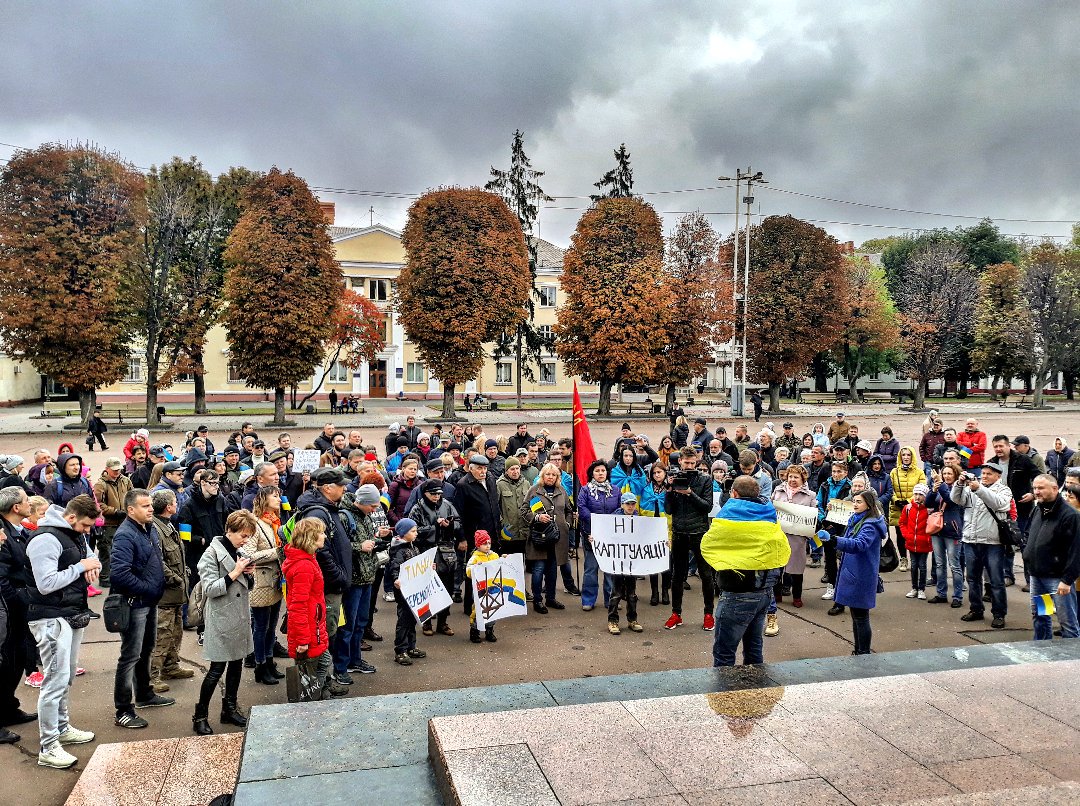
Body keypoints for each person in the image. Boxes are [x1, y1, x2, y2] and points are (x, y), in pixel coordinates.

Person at [24, 495, 101, 768]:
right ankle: (48, 745)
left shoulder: (73, 534)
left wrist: (92, 566)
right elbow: (45, 583)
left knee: (65, 677)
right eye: (85, 525)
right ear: (70, 518)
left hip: (69, 613)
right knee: (54, 681)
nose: (88, 531)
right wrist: (81, 567)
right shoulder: (45, 539)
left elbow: (92, 557)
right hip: (49, 616)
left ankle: (62, 729)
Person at [700, 476, 790, 666]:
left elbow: (708, 544)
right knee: (754, 647)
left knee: (724, 653)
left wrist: (728, 561)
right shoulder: (769, 513)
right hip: (765, 590)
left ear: (734, 493)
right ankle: (756, 690)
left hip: (737, 591)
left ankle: (725, 695)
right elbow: (779, 547)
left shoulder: (728, 513)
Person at [191, 510, 258, 735]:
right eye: (243, 535)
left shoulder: (236, 550)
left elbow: (246, 586)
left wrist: (248, 574)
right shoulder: (210, 554)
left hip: (238, 616)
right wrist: (235, 572)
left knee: (237, 664)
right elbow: (209, 589)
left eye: (249, 536)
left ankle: (229, 708)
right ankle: (200, 714)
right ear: (229, 531)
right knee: (216, 668)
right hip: (221, 617)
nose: (246, 540)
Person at [110, 489, 172, 729]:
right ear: (131, 510)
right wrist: (147, 588)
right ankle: (123, 710)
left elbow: (156, 560)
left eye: (150, 505)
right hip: (134, 604)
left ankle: (144, 695)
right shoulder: (125, 535)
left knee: (146, 649)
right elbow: (119, 574)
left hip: (149, 602)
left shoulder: (150, 528)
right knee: (130, 655)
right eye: (145, 506)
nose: (150, 509)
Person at [820, 490, 886, 655]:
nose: (855, 504)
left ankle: (863, 653)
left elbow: (859, 544)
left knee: (861, 617)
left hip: (861, 575)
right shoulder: (857, 519)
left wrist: (835, 540)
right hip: (854, 573)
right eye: (854, 501)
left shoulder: (870, 524)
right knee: (857, 616)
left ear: (868, 505)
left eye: (859, 502)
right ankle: (859, 651)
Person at [952, 459, 1013, 628]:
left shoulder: (1004, 490)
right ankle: (976, 609)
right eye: (983, 473)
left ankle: (999, 613)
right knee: (972, 578)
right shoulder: (972, 487)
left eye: (988, 474)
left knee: (996, 580)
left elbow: (999, 504)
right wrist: (959, 483)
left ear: (998, 476)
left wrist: (979, 489)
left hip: (993, 542)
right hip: (971, 540)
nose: (984, 476)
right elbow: (956, 499)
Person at [1023, 474, 1080, 640]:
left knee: (1067, 621)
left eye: (1041, 488)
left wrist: (1067, 580)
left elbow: (1076, 551)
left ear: (1055, 489)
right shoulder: (1038, 509)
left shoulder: (1070, 515)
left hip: (1057, 580)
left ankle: (1073, 659)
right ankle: (1042, 650)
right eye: (1035, 488)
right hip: (1038, 577)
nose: (1036, 492)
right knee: (1041, 615)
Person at [282, 518, 335, 699]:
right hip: (309, 629)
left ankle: (318, 693)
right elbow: (297, 606)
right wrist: (303, 640)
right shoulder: (304, 565)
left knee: (323, 660)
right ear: (310, 537)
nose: (324, 535)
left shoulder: (307, 559)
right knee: (311, 671)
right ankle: (314, 698)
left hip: (314, 626)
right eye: (321, 532)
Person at [664, 447, 715, 631]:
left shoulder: (705, 480)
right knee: (677, 575)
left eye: (693, 463)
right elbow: (668, 510)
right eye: (686, 463)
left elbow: (707, 507)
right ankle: (676, 613)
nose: (690, 466)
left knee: (706, 575)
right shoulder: (675, 479)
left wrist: (690, 493)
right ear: (680, 462)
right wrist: (669, 490)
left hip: (699, 532)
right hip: (679, 532)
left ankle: (709, 614)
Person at [0, 487, 37, 735]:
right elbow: (2, 576)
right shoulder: (2, 533)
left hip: (17, 605)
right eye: (26, 502)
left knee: (18, 657)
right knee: (6, 660)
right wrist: (18, 599)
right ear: (16, 507)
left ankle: (8, 707)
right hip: (9, 606)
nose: (30, 505)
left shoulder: (15, 531)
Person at [148, 490, 193, 693]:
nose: (177, 504)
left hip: (176, 591)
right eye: (175, 502)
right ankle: (153, 675)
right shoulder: (155, 529)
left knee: (176, 631)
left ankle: (171, 666)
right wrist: (174, 578)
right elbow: (159, 561)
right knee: (162, 634)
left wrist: (184, 572)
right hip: (166, 592)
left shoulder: (168, 525)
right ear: (168, 507)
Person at [409, 479, 463, 639]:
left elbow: (459, 522)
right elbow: (413, 530)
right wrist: (434, 527)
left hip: (447, 552)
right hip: (426, 551)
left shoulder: (447, 505)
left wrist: (450, 524)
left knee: (445, 589)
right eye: (433, 494)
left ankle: (443, 622)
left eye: (439, 493)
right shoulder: (417, 508)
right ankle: (427, 622)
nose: (436, 496)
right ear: (425, 493)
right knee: (427, 589)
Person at [522, 464, 574, 614]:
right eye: (548, 474)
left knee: (552, 570)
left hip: (557, 538)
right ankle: (538, 600)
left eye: (554, 475)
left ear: (557, 477)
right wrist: (537, 517)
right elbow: (524, 510)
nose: (550, 477)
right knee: (538, 570)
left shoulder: (561, 491)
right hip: (540, 537)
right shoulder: (534, 491)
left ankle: (550, 598)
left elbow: (569, 510)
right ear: (542, 476)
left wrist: (567, 524)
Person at [246, 486, 284, 686]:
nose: (279, 499)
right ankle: (260, 665)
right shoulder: (255, 524)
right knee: (261, 627)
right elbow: (248, 555)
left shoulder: (275, 523)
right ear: (263, 499)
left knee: (271, 627)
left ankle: (269, 661)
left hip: (275, 582)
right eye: (275, 496)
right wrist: (277, 552)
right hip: (260, 584)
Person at [577, 460, 623, 612]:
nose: (601, 473)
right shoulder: (585, 490)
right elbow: (582, 508)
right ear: (592, 474)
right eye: (597, 471)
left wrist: (608, 523)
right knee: (591, 568)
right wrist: (597, 523)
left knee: (610, 569)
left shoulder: (616, 490)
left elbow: (619, 509)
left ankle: (611, 599)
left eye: (603, 471)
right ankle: (588, 600)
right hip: (591, 535)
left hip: (611, 536)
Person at [772, 465, 815, 612]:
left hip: (797, 538)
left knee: (796, 569)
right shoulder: (778, 490)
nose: (792, 480)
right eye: (790, 476)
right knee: (777, 567)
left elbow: (814, 516)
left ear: (803, 479)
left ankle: (797, 596)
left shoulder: (810, 495)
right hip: (779, 536)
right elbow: (771, 509)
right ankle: (776, 594)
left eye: (796, 477)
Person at [601, 494, 646, 635]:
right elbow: (605, 534)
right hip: (618, 562)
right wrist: (594, 538)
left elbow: (647, 536)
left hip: (631, 562)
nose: (631, 506)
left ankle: (633, 619)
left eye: (633, 504)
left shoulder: (638, 520)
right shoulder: (613, 520)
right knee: (616, 593)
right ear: (622, 505)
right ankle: (612, 621)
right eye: (628, 504)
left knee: (632, 594)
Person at [925, 465, 966, 607]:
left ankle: (958, 596)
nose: (947, 476)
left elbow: (950, 500)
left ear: (955, 475)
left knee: (954, 565)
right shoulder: (940, 486)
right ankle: (941, 593)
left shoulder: (959, 488)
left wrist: (940, 484)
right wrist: (933, 490)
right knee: (940, 563)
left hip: (952, 530)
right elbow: (928, 504)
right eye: (945, 473)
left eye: (950, 473)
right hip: (937, 530)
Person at [389, 518, 427, 666]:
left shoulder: (413, 547)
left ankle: (411, 647)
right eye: (413, 531)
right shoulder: (399, 550)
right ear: (404, 533)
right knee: (404, 621)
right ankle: (400, 650)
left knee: (412, 620)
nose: (416, 533)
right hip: (404, 591)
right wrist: (396, 579)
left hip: (413, 589)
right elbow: (395, 567)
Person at [92, 457, 131, 590]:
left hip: (124, 521)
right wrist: (114, 511)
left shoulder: (126, 481)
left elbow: (131, 496)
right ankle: (105, 576)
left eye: (119, 469)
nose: (117, 472)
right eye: (114, 470)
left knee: (123, 550)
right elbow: (98, 504)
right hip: (108, 523)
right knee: (106, 550)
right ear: (107, 469)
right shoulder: (100, 485)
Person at [816, 461, 852, 607]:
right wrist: (823, 518)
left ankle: (845, 588)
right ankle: (831, 585)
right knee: (829, 557)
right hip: (828, 524)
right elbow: (818, 503)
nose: (836, 474)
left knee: (845, 558)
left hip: (844, 526)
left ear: (845, 473)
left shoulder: (850, 486)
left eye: (839, 472)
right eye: (834, 471)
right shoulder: (825, 485)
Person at [889, 447, 926, 574]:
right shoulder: (894, 472)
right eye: (903, 455)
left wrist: (910, 501)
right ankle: (903, 558)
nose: (906, 457)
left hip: (914, 508)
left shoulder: (919, 472)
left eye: (908, 455)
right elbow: (890, 488)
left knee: (912, 535)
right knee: (900, 534)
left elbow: (922, 487)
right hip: (898, 508)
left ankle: (915, 559)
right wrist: (895, 500)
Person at [639, 464, 672, 606]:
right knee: (653, 562)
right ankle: (654, 592)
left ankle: (665, 591)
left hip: (666, 529)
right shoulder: (646, 489)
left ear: (665, 473)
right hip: (650, 529)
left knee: (666, 562)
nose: (657, 475)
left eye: (660, 472)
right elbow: (642, 507)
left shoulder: (670, 489)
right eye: (654, 473)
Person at [465, 530, 500, 643]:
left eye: (489, 543)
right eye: (484, 544)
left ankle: (489, 630)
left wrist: (504, 559)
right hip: (479, 589)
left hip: (492, 588)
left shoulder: (494, 555)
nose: (487, 546)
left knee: (491, 609)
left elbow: (500, 566)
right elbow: (468, 571)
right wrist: (475, 567)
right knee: (478, 609)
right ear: (478, 545)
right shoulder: (475, 557)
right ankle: (474, 631)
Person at [900, 483, 932, 599]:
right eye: (916, 494)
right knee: (914, 566)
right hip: (911, 542)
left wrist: (928, 538)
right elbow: (902, 523)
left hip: (924, 543)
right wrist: (906, 535)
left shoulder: (929, 510)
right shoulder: (908, 508)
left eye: (921, 494)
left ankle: (921, 589)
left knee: (922, 566)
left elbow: (932, 526)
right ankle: (914, 588)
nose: (917, 497)